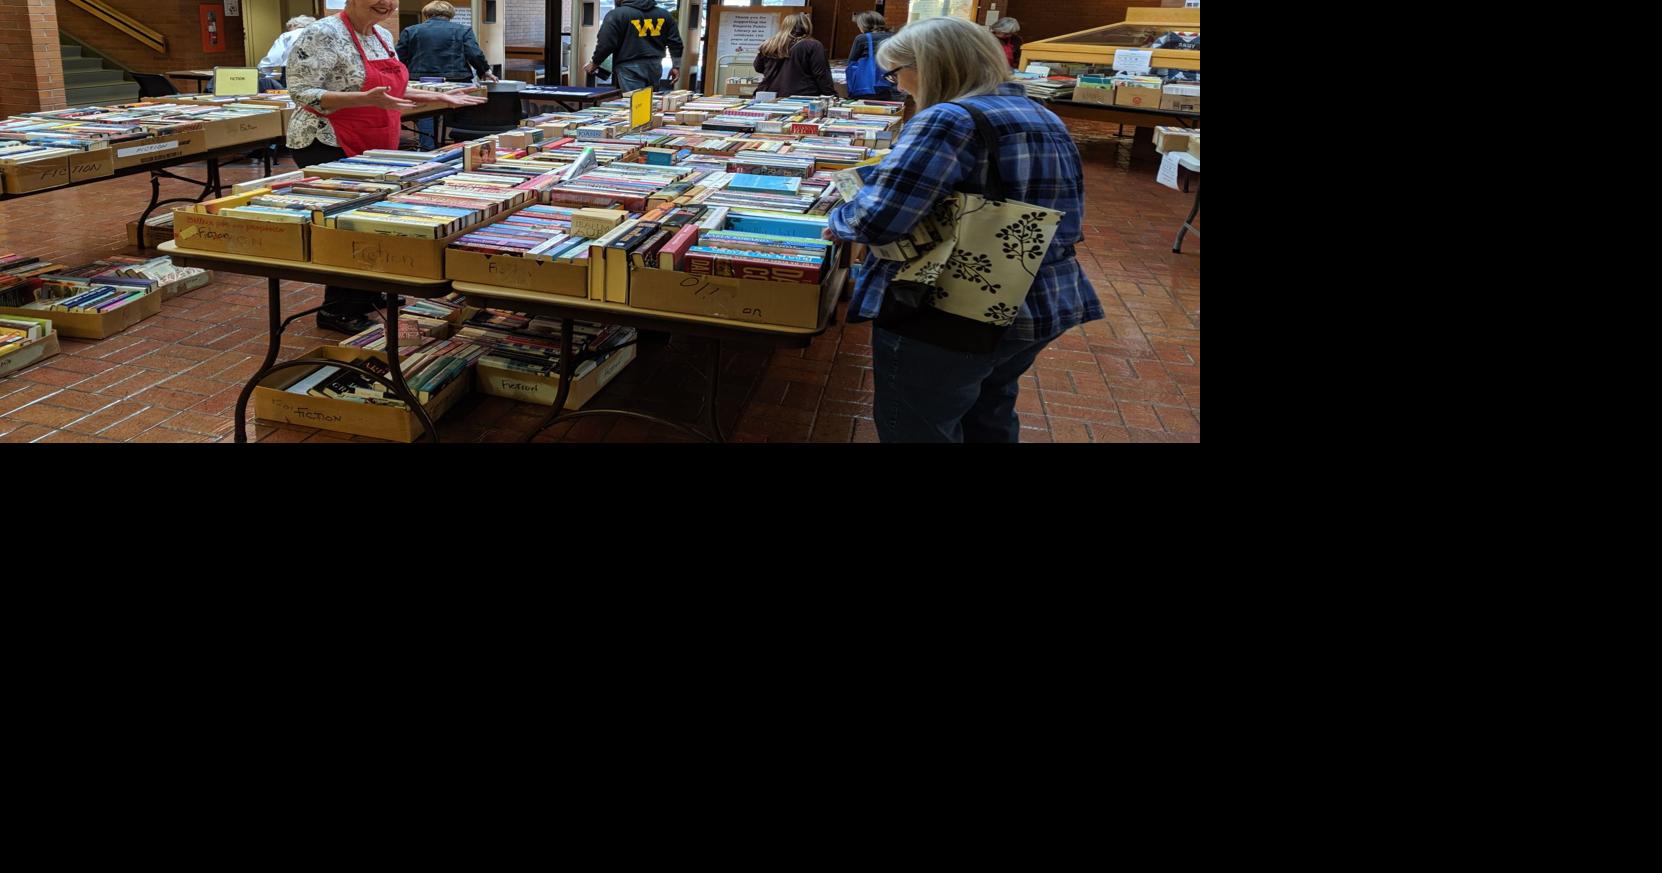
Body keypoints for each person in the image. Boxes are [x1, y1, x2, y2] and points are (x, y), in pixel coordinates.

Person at [826, 16, 1101, 443]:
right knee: (988, 416)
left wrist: (836, 218)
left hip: (950, 307)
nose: (898, 85)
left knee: (918, 426)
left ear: (931, 66)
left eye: (898, 72)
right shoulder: (1041, 114)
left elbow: (877, 221)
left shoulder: (948, 119)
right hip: (1038, 297)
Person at [285, 0, 485, 335]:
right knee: (344, 224)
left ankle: (364, 293)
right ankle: (336, 309)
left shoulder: (380, 35)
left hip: (373, 139)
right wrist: (364, 99)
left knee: (370, 219)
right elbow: (302, 93)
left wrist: (437, 97)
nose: (386, 3)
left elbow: (392, 90)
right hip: (326, 140)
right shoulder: (321, 33)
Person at [397, 1, 496, 150]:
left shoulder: (411, 30)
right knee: (462, 111)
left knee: (426, 112)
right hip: (456, 78)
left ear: (427, 13)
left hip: (420, 80)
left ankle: (427, 149)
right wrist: (485, 71)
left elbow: (399, 57)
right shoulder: (463, 30)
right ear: (450, 14)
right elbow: (474, 53)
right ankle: (459, 147)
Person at [585, 0, 683, 94]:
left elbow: (606, 44)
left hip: (628, 67)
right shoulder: (664, 14)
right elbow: (675, 43)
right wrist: (676, 66)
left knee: (634, 104)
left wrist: (595, 62)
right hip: (654, 66)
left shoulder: (616, 15)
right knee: (650, 102)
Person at [752, 13, 836, 98]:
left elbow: (758, 67)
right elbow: (821, 75)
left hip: (768, 95)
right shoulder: (813, 45)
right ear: (807, 26)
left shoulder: (768, 44)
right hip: (801, 97)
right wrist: (831, 96)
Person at [845, 11, 897, 101]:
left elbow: (851, 63)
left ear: (864, 25)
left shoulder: (862, 39)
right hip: (893, 86)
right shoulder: (895, 37)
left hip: (868, 88)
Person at [257, 15, 316, 90]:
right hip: (317, 71)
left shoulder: (287, 35)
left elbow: (274, 57)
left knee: (291, 96)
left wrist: (262, 72)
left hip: (292, 71)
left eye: (288, 28)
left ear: (294, 25)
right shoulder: (319, 35)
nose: (288, 30)